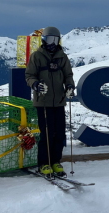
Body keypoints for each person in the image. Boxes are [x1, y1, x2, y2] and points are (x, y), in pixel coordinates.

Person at [25, 26, 75, 178]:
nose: (52, 43)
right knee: (46, 133)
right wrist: (35, 85)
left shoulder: (62, 57)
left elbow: (68, 75)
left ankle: (55, 161)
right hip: (43, 102)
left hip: (59, 101)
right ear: (44, 39)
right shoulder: (36, 56)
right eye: (49, 39)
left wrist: (70, 86)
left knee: (59, 133)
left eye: (55, 39)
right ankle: (43, 163)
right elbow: (29, 75)